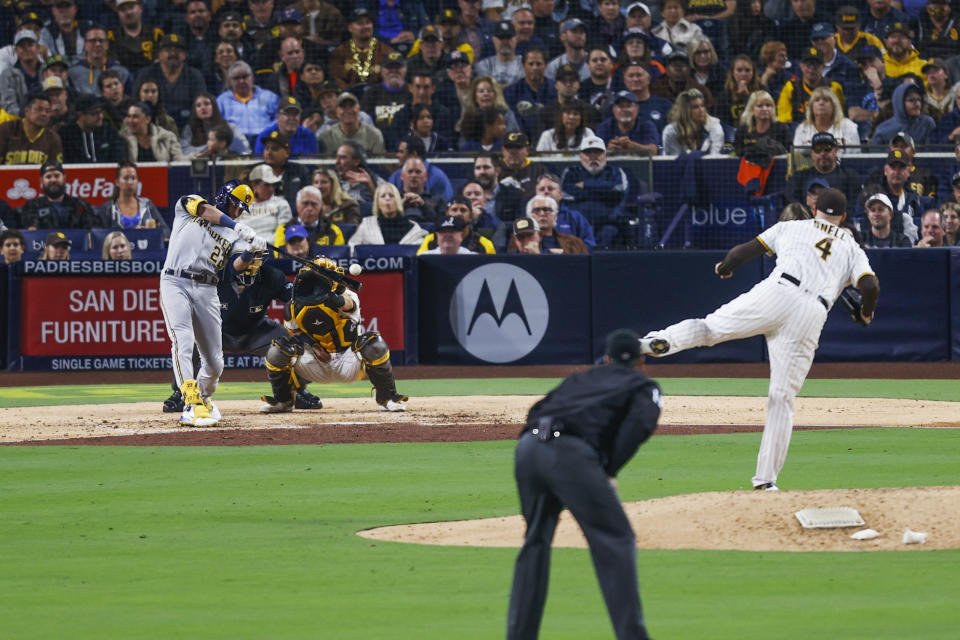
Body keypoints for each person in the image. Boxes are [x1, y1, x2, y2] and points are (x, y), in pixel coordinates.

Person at [640, 187, 879, 490]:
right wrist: (866, 314)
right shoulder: (852, 246)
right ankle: (766, 482)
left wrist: (725, 268)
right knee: (781, 398)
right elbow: (869, 286)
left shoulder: (791, 226)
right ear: (844, 217)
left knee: (710, 329)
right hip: (812, 312)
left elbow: (743, 252)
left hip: (777, 291)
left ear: (815, 207)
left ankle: (659, 341)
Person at [507, 327, 661, 640]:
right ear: (642, 361)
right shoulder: (644, 385)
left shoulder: (579, 378)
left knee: (535, 541)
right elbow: (639, 425)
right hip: (571, 456)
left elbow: (536, 410)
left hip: (528, 448)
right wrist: (608, 470)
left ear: (606, 358)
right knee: (616, 539)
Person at [160, 179, 266, 428]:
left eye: (241, 210)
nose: (237, 212)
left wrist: (251, 252)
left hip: (208, 288)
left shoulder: (234, 235)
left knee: (215, 362)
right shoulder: (188, 206)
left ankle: (203, 399)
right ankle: (191, 403)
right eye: (236, 206)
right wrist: (237, 225)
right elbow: (204, 210)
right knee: (182, 341)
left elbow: (237, 266)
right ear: (225, 198)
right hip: (176, 280)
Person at [259, 256, 409, 412]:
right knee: (277, 349)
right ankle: (284, 401)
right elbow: (294, 332)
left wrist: (327, 295)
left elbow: (347, 304)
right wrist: (313, 345)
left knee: (373, 342)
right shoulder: (293, 305)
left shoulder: (349, 296)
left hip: (348, 361)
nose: (318, 281)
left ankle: (387, 397)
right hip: (315, 363)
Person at [560, 135, 636, 247]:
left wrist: (585, 185)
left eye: (597, 153)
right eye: (588, 153)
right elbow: (566, 195)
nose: (593, 157)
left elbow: (618, 193)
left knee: (611, 233)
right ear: (581, 156)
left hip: (609, 223)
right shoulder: (570, 172)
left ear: (605, 156)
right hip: (577, 225)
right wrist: (604, 190)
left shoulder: (616, 172)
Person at [859, 149, 922, 242]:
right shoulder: (874, 197)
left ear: (908, 172)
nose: (897, 172)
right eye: (893, 167)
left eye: (901, 167)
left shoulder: (914, 198)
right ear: (885, 170)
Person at [785, 132, 861, 205]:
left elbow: (854, 207)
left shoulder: (850, 177)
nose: (823, 153)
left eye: (827, 148)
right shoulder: (799, 178)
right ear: (812, 153)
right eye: (818, 149)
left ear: (835, 150)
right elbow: (794, 206)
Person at [95, 162, 170, 236]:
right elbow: (99, 236)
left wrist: (151, 231)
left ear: (137, 181)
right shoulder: (108, 208)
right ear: (117, 182)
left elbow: (166, 232)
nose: (130, 182)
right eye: (126, 178)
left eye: (133, 178)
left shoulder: (147, 204)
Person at [18, 161, 98, 229]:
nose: (53, 180)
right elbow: (32, 233)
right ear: (41, 181)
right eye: (48, 177)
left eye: (57, 176)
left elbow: (92, 231)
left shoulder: (80, 204)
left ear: (64, 178)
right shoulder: (32, 205)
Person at [328, 8, 395, 89]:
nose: (366, 26)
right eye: (360, 23)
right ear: (350, 28)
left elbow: (391, 78)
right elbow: (337, 79)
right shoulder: (339, 52)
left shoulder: (387, 51)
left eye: (368, 22)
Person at [776, 46, 844, 124]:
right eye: (808, 65)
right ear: (801, 66)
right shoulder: (791, 87)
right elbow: (784, 121)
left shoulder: (833, 87)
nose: (811, 69)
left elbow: (839, 117)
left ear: (823, 67)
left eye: (816, 65)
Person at [217, 60, 280, 145]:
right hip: (234, 144)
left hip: (265, 141)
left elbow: (279, 118)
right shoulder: (222, 100)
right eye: (237, 78)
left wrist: (267, 132)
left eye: (245, 76)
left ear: (252, 77)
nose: (241, 81)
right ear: (230, 81)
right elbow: (217, 124)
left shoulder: (269, 97)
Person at [348, 182, 429, 247]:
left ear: (398, 201)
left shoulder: (413, 227)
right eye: (383, 196)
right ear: (377, 203)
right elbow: (353, 248)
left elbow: (421, 250)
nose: (387, 198)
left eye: (391, 195)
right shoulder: (367, 224)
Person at [60, 94, 130, 164]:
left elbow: (119, 159)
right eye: (94, 113)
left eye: (101, 112)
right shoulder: (66, 135)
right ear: (80, 115)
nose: (100, 116)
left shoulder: (109, 132)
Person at [508, 195, 588, 254]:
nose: (542, 214)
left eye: (547, 210)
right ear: (529, 216)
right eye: (536, 210)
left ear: (556, 216)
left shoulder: (574, 242)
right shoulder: (519, 238)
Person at [273, 185, 346, 250]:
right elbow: (279, 257)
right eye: (305, 203)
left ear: (321, 206)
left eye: (314, 204)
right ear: (297, 205)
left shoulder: (334, 231)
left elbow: (339, 257)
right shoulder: (283, 230)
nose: (309, 208)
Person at [68, 24, 133, 96]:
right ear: (85, 45)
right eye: (92, 41)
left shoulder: (122, 72)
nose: (97, 44)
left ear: (107, 44)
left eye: (101, 40)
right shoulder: (73, 72)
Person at [416, 196, 496, 254]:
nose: (458, 214)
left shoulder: (484, 244)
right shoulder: (431, 240)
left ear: (471, 216)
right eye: (454, 210)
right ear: (447, 214)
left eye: (463, 210)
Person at [180, 91, 251, 157]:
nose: (203, 108)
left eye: (207, 104)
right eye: (198, 106)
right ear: (195, 110)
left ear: (214, 106)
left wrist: (220, 148)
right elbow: (184, 150)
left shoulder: (230, 127)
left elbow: (245, 148)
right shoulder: (189, 129)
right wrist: (208, 148)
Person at [0, 94, 63, 166]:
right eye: (39, 109)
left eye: (48, 111)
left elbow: (55, 170)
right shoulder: (6, 129)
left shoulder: (53, 138)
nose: (44, 114)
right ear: (26, 111)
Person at [793, 86, 861, 152]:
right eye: (817, 100)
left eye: (826, 100)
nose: (821, 103)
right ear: (811, 107)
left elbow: (854, 157)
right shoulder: (802, 129)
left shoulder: (848, 126)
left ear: (834, 106)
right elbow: (797, 158)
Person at [870, 81, 937, 146]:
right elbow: (875, 156)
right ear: (899, 103)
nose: (917, 104)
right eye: (911, 100)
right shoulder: (882, 130)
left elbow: (933, 153)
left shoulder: (927, 123)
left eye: (919, 100)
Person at [319, 92, 386, 156]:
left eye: (351, 105)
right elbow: (325, 166)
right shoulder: (327, 136)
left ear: (358, 109)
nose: (348, 110)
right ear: (337, 111)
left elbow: (380, 164)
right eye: (343, 106)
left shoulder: (374, 134)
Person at [662, 88, 724, 155]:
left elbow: (715, 157)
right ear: (685, 111)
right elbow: (674, 160)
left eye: (702, 106)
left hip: (707, 165)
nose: (701, 110)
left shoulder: (714, 126)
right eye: (695, 107)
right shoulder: (671, 131)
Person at [733, 90, 792, 156]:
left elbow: (790, 153)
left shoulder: (782, 129)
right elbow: (738, 154)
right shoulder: (742, 131)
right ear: (752, 109)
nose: (765, 109)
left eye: (768, 105)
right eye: (760, 106)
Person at [120, 102, 185, 162]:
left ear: (147, 119)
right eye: (129, 116)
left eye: (135, 117)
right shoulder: (122, 138)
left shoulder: (167, 137)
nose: (130, 121)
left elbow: (179, 161)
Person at [0, 29, 43, 118]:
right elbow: (9, 106)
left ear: (38, 48)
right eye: (22, 46)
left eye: (30, 45)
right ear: (16, 50)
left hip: (46, 118)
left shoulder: (47, 70)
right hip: (20, 123)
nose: (26, 49)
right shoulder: (7, 74)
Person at [715, 54, 762, 129]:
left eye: (747, 70)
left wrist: (747, 97)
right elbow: (721, 124)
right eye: (739, 70)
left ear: (753, 72)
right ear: (733, 73)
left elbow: (764, 118)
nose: (743, 74)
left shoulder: (762, 91)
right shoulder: (724, 96)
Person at [498, 132, 548, 198]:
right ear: (503, 150)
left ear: (527, 150)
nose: (513, 152)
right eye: (509, 148)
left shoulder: (538, 170)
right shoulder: (495, 169)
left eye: (518, 147)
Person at [475, 20, 524, 86]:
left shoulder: (524, 63)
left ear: (516, 39)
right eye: (501, 38)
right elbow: (487, 89)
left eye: (508, 38)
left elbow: (521, 89)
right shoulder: (484, 65)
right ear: (494, 40)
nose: (505, 42)